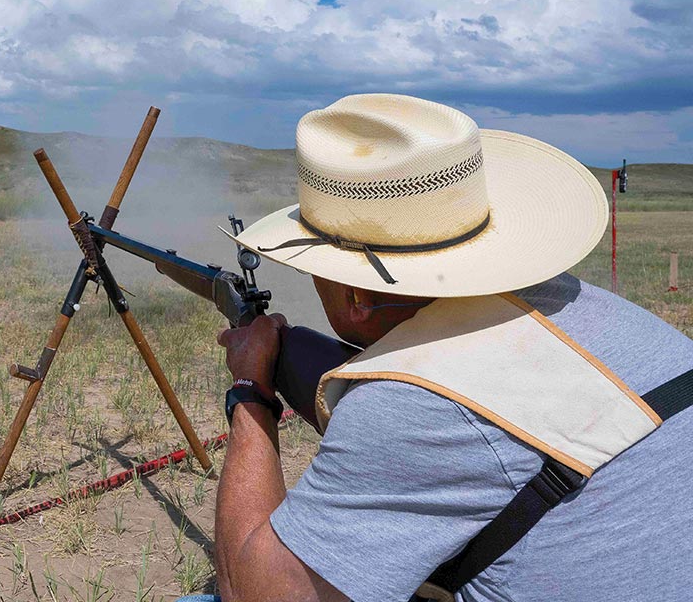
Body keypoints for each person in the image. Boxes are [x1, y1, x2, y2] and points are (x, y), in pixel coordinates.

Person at [182, 94, 693, 602]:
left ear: (357, 295)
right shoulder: (587, 306)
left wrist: (251, 388)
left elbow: (258, 594)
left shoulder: (409, 409)